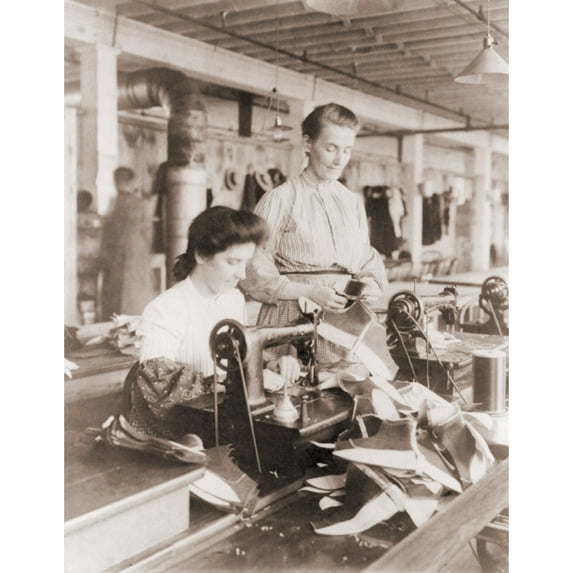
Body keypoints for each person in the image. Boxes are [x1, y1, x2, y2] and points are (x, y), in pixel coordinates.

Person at [124, 206, 300, 439]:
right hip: (178, 435)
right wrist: (236, 385)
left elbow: (236, 358)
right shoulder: (166, 308)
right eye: (232, 262)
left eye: (244, 263)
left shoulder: (233, 299)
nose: (242, 275)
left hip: (220, 420)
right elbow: (158, 385)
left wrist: (268, 366)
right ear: (201, 255)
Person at [240, 103, 388, 363]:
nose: (339, 159)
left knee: (349, 389)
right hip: (292, 318)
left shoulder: (352, 202)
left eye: (346, 150)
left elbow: (366, 258)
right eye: (331, 148)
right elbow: (252, 268)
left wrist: (370, 284)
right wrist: (307, 292)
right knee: (293, 393)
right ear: (308, 143)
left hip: (346, 319)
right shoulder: (280, 199)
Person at [100, 166, 155, 318]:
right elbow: (147, 230)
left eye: (120, 180)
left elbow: (106, 229)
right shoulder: (137, 203)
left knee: (124, 292)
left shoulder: (117, 203)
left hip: (125, 251)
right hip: (132, 252)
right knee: (130, 293)